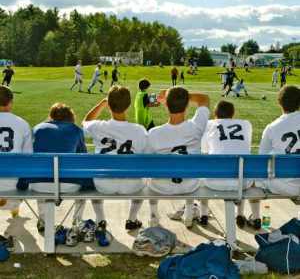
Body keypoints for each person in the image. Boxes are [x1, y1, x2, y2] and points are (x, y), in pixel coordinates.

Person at [82, 85, 147, 238]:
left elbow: (85, 122)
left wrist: (101, 103)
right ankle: (132, 219)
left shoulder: (97, 127)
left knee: (95, 174)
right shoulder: (139, 130)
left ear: (109, 105)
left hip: (103, 184)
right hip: (132, 185)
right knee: (143, 176)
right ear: (129, 106)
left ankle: (100, 219)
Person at [30, 103, 102, 232]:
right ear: (70, 116)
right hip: (67, 184)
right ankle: (77, 218)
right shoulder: (75, 130)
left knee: (40, 173)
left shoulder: (37, 128)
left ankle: (42, 219)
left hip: (38, 185)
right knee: (86, 178)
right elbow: (82, 157)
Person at [147, 87, 210, 228]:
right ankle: (188, 214)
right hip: (189, 185)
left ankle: (153, 216)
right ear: (187, 105)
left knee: (149, 175)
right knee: (190, 172)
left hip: (160, 186)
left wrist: (171, 96)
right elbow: (204, 98)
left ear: (165, 105)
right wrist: (180, 96)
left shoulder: (154, 133)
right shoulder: (196, 128)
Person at [200, 100, 261, 229]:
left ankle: (203, 214)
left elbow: (204, 152)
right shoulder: (246, 124)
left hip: (214, 181)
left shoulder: (209, 125)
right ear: (233, 115)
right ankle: (248, 215)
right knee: (242, 168)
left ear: (215, 115)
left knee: (205, 167)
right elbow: (245, 148)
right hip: (242, 182)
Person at [258, 85, 300, 196]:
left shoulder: (272, 127)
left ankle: (252, 214)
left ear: (280, 103)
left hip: (284, 186)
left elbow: (262, 158)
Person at [0, 86, 32, 215]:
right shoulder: (22, 124)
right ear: (10, 102)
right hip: (12, 185)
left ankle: (9, 203)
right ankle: (13, 205)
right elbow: (28, 156)